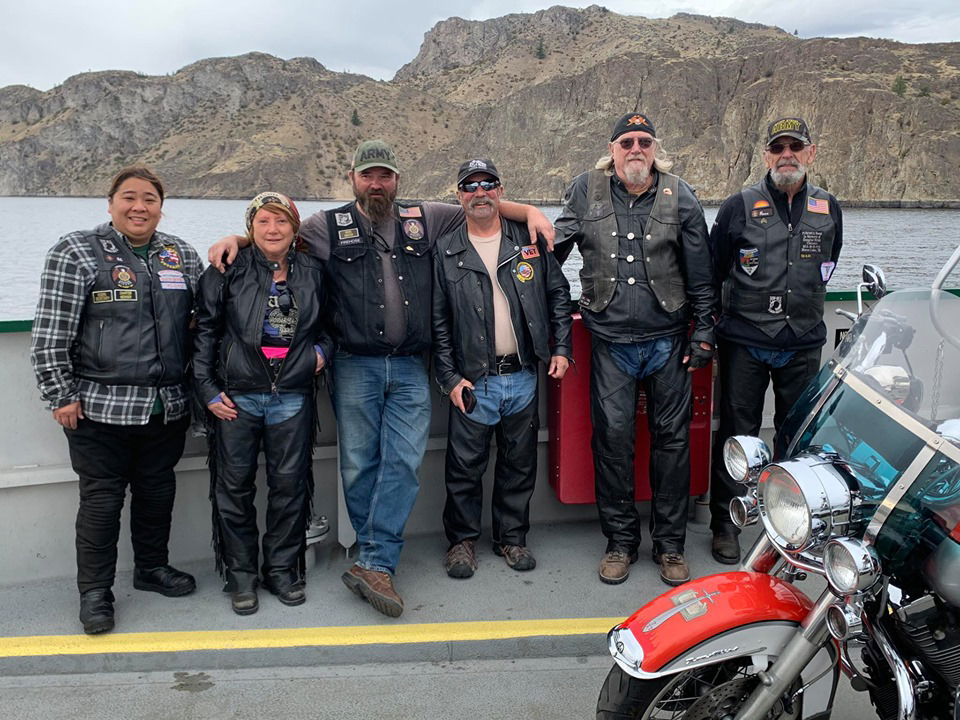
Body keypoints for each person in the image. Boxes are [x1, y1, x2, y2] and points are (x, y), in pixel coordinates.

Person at [207, 139, 555, 617]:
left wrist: (531, 211)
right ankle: (376, 561)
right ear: (352, 178)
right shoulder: (324, 226)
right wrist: (238, 239)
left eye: (385, 175)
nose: (377, 183)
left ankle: (374, 561)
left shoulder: (427, 216)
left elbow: (479, 204)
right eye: (367, 175)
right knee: (359, 465)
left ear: (396, 179)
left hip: (413, 365)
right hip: (354, 365)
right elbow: (275, 230)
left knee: (404, 464)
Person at [30, 166, 201, 634]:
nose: (139, 206)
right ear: (110, 204)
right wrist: (59, 393)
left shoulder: (180, 254)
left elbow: (201, 323)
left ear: (161, 206)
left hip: (165, 406)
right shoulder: (77, 251)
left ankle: (151, 569)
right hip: (98, 407)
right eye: (129, 197)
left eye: (149, 198)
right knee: (102, 503)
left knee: (156, 494)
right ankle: (95, 593)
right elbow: (50, 331)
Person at [553, 113, 716, 587]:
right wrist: (551, 302)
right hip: (609, 344)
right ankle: (620, 543)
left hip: (669, 341)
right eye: (627, 141)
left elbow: (701, 273)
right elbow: (552, 254)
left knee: (673, 443)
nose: (636, 148)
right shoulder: (586, 190)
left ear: (655, 148)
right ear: (613, 149)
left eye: (645, 141)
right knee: (612, 443)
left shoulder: (680, 193)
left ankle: (670, 546)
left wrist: (703, 333)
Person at [708, 117, 842, 564]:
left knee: (796, 436)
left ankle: (791, 525)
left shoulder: (829, 208)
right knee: (737, 433)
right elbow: (715, 268)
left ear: (811, 152)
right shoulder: (738, 206)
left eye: (795, 147)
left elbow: (831, 261)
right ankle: (725, 525)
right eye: (778, 148)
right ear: (766, 156)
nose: (787, 155)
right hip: (745, 339)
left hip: (802, 341)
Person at [433, 158, 572, 579]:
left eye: (487, 184)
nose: (479, 192)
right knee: (463, 468)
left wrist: (561, 348)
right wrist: (450, 378)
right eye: (470, 186)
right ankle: (461, 543)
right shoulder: (446, 251)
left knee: (520, 463)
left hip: (524, 377)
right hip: (474, 380)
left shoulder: (528, 243)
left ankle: (512, 538)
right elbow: (437, 324)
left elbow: (558, 296)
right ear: (459, 196)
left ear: (500, 190)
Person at [193, 192, 330, 616]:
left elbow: (331, 326)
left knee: (290, 489)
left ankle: (282, 570)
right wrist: (207, 389)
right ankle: (241, 576)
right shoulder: (225, 271)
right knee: (233, 490)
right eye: (264, 222)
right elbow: (204, 335)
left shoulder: (314, 271)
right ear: (251, 228)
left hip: (291, 396)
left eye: (281, 222)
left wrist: (319, 355)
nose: (273, 230)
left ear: (295, 228)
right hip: (236, 398)